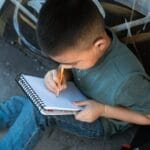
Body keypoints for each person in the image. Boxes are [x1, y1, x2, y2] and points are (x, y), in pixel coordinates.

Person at [0, 0, 150, 149]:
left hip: (100, 120)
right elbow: (66, 67)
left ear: (100, 44)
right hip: (76, 97)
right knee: (34, 99)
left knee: (39, 112)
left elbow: (147, 117)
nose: (66, 67)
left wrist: (103, 110)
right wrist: (59, 75)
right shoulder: (85, 42)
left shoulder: (128, 81)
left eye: (73, 63)